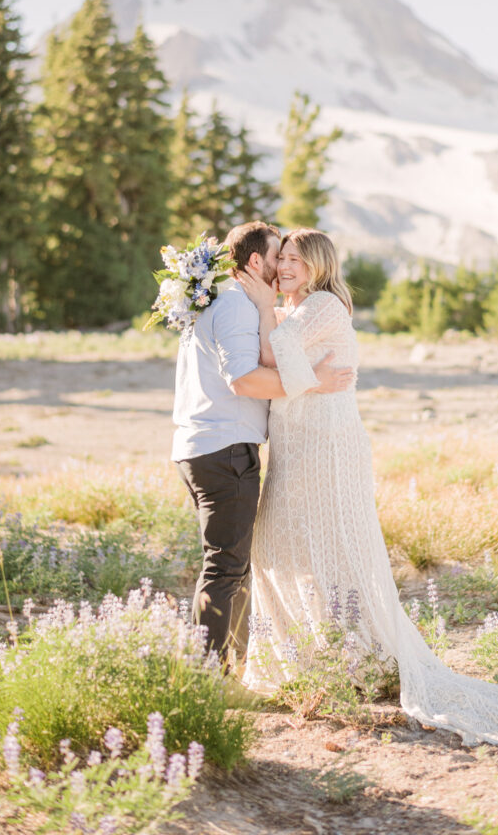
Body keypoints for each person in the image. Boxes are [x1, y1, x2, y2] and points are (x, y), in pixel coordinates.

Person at [237, 227, 498, 746]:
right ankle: (310, 657)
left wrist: (261, 305)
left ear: (319, 265)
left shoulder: (323, 305)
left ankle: (349, 658)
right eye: (281, 259)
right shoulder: (301, 309)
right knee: (282, 544)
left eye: (296, 260)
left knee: (329, 548)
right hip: (298, 444)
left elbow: (268, 357)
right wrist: (267, 312)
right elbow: (277, 349)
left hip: (326, 450)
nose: (284, 268)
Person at [172, 220, 355, 666]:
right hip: (225, 449)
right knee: (225, 569)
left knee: (232, 566)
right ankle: (207, 675)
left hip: (208, 445)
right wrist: (314, 382)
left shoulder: (224, 302)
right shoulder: (235, 307)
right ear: (256, 261)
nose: (282, 267)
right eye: (278, 257)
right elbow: (245, 379)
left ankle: (231, 667)